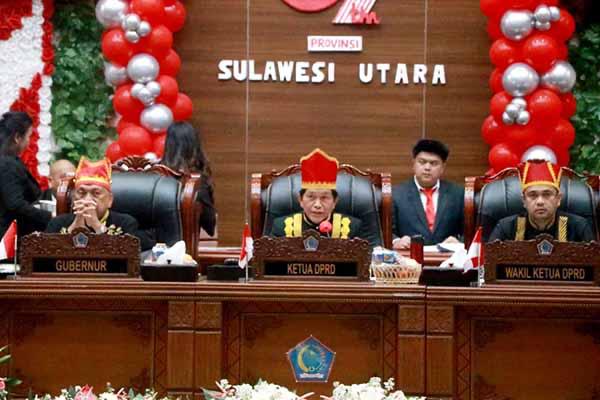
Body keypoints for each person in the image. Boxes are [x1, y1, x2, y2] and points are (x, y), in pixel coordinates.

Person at [46, 157, 155, 250]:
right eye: (81, 193)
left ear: (110, 200)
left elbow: (126, 254)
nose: (87, 199)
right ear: (74, 198)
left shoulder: (125, 224)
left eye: (96, 193)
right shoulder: (57, 223)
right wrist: (75, 226)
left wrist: (96, 225)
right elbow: (47, 253)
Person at [489, 159, 594, 242]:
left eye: (547, 194)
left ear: (558, 199)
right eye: (533, 195)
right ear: (524, 200)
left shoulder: (579, 227)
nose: (540, 201)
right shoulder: (505, 228)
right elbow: (490, 261)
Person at [269, 148, 362, 240]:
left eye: (324, 197)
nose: (317, 205)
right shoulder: (282, 227)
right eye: (311, 197)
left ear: (335, 201)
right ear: (300, 200)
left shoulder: (352, 227)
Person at [392, 139, 464, 249]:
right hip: (409, 256)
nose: (427, 168)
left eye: (433, 163)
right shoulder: (396, 194)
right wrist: (396, 241)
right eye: (422, 162)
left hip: (448, 257)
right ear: (413, 164)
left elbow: (470, 232)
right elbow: (386, 232)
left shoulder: (458, 193)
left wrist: (459, 242)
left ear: (443, 167)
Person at [0, 111, 52, 238]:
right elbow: (16, 205)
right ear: (17, 138)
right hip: (9, 238)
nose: (29, 142)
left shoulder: (9, 161)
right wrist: (50, 217)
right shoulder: (7, 164)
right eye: (28, 136)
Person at [162, 122, 217, 236]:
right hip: (186, 244)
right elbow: (210, 225)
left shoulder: (154, 175)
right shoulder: (198, 183)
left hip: (154, 244)